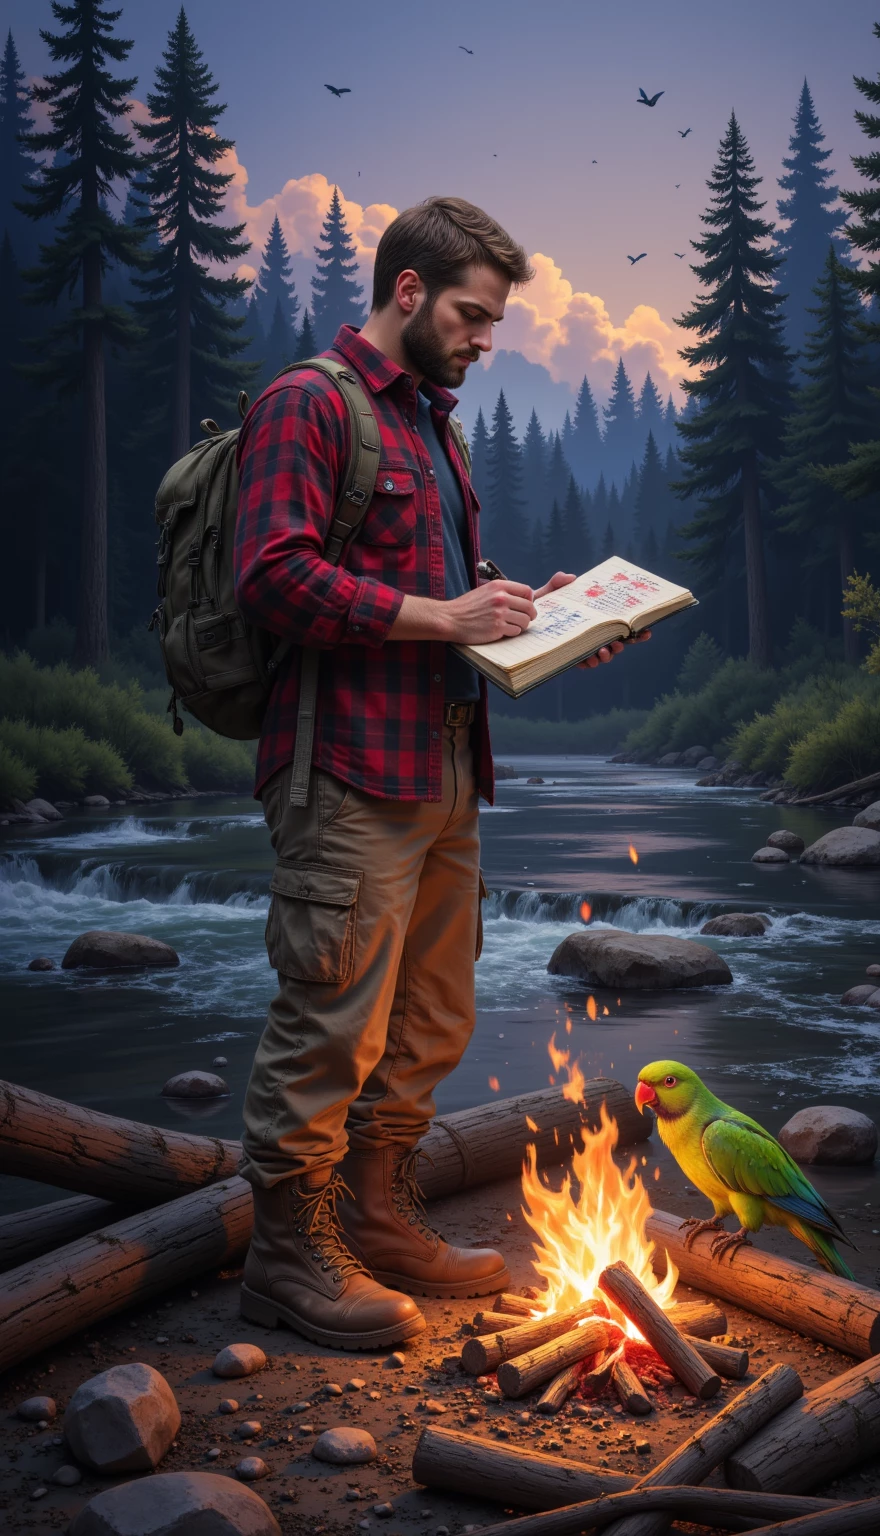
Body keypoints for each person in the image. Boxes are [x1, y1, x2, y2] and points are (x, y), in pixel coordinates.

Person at [233, 195, 648, 1350]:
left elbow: (449, 612)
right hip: (350, 775)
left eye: (494, 320)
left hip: (446, 773)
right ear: (406, 291)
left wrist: (555, 619)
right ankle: (285, 1260)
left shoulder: (432, 425)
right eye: (470, 313)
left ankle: (375, 1216)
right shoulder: (307, 404)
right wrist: (443, 609)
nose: (482, 337)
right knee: (329, 1026)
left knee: (430, 1019)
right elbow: (270, 577)